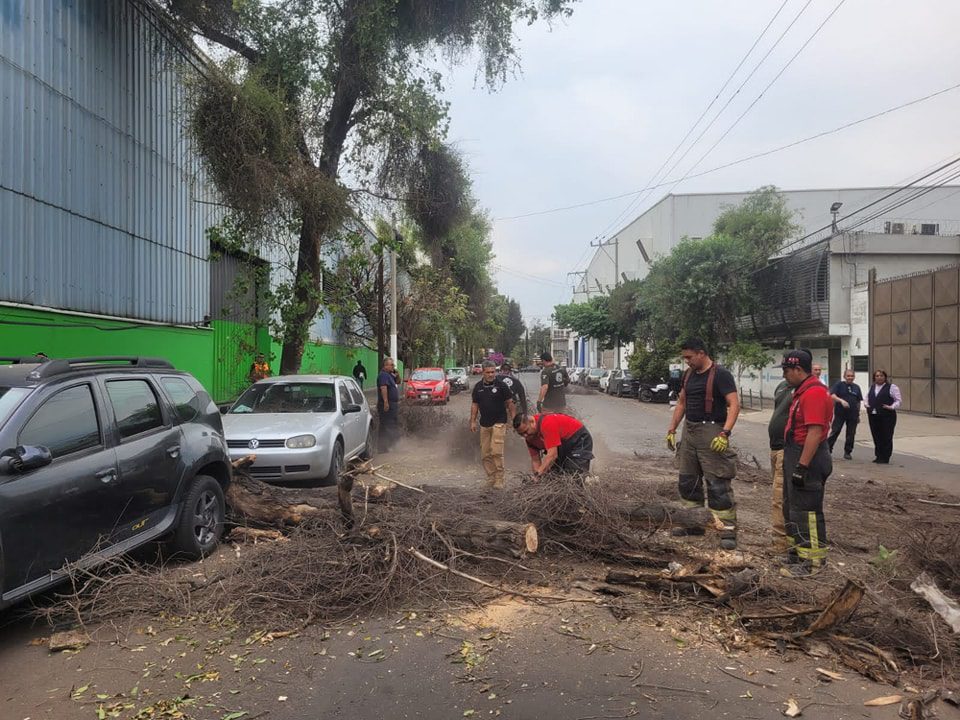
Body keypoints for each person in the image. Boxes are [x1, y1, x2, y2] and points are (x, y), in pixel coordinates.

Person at [664, 338, 740, 550]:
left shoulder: (721, 375)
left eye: (689, 357)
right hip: (690, 431)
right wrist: (672, 429)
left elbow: (734, 404)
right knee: (688, 481)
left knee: (717, 483)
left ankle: (726, 530)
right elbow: (681, 403)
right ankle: (693, 524)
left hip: (712, 431)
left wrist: (725, 433)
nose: (686, 361)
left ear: (701, 353)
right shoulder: (688, 376)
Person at [779, 349, 834, 576]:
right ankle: (796, 554)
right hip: (796, 453)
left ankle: (811, 563)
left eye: (786, 371)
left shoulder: (814, 394)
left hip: (808, 457)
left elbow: (814, 432)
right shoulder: (801, 391)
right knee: (793, 509)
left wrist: (802, 466)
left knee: (807, 511)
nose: (784, 375)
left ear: (798, 369)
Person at [470, 361, 517, 489]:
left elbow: (510, 403)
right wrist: (473, 421)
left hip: (499, 422)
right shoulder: (478, 387)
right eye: (488, 372)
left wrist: (514, 420)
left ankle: (499, 479)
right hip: (485, 424)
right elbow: (475, 404)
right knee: (485, 454)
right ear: (483, 372)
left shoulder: (501, 386)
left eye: (493, 372)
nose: (491, 374)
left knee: (496, 451)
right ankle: (491, 477)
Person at [513, 411, 594, 477]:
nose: (525, 436)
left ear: (532, 422)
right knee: (554, 475)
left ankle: (589, 484)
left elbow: (552, 456)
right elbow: (535, 460)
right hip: (561, 445)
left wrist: (538, 475)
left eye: (526, 431)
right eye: (521, 434)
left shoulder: (546, 423)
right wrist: (537, 479)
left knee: (574, 475)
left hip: (578, 439)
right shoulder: (529, 438)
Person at [768, 379, 793, 552]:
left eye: (787, 369)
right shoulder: (782, 386)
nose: (784, 372)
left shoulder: (806, 390)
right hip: (775, 447)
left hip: (787, 448)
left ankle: (781, 542)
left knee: (780, 496)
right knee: (778, 494)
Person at [866, 369, 901, 464]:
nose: (879, 377)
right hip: (873, 415)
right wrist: (866, 404)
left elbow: (898, 400)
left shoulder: (892, 387)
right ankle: (878, 455)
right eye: (877, 376)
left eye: (881, 376)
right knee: (876, 435)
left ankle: (885, 457)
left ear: (885, 377)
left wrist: (892, 407)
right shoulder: (872, 387)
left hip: (887, 415)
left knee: (886, 436)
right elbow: (867, 398)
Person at [828, 368, 863, 460]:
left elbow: (858, 401)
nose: (850, 378)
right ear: (844, 376)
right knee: (835, 431)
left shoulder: (856, 387)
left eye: (852, 376)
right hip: (840, 413)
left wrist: (858, 414)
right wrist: (841, 401)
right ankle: (828, 449)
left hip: (853, 415)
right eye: (848, 376)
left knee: (851, 434)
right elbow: (832, 395)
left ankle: (848, 452)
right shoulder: (839, 385)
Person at [377, 357, 400, 453]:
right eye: (391, 365)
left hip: (392, 404)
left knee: (386, 425)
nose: (393, 366)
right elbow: (383, 388)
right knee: (389, 425)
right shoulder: (383, 375)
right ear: (385, 365)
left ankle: (383, 447)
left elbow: (398, 381)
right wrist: (386, 402)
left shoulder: (389, 375)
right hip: (387, 404)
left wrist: (397, 374)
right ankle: (393, 445)